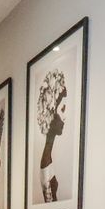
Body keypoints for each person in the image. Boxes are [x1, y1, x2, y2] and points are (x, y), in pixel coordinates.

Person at [37, 69, 67, 202]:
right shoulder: (46, 163)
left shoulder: (47, 159)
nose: (65, 117)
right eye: (62, 109)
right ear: (52, 112)